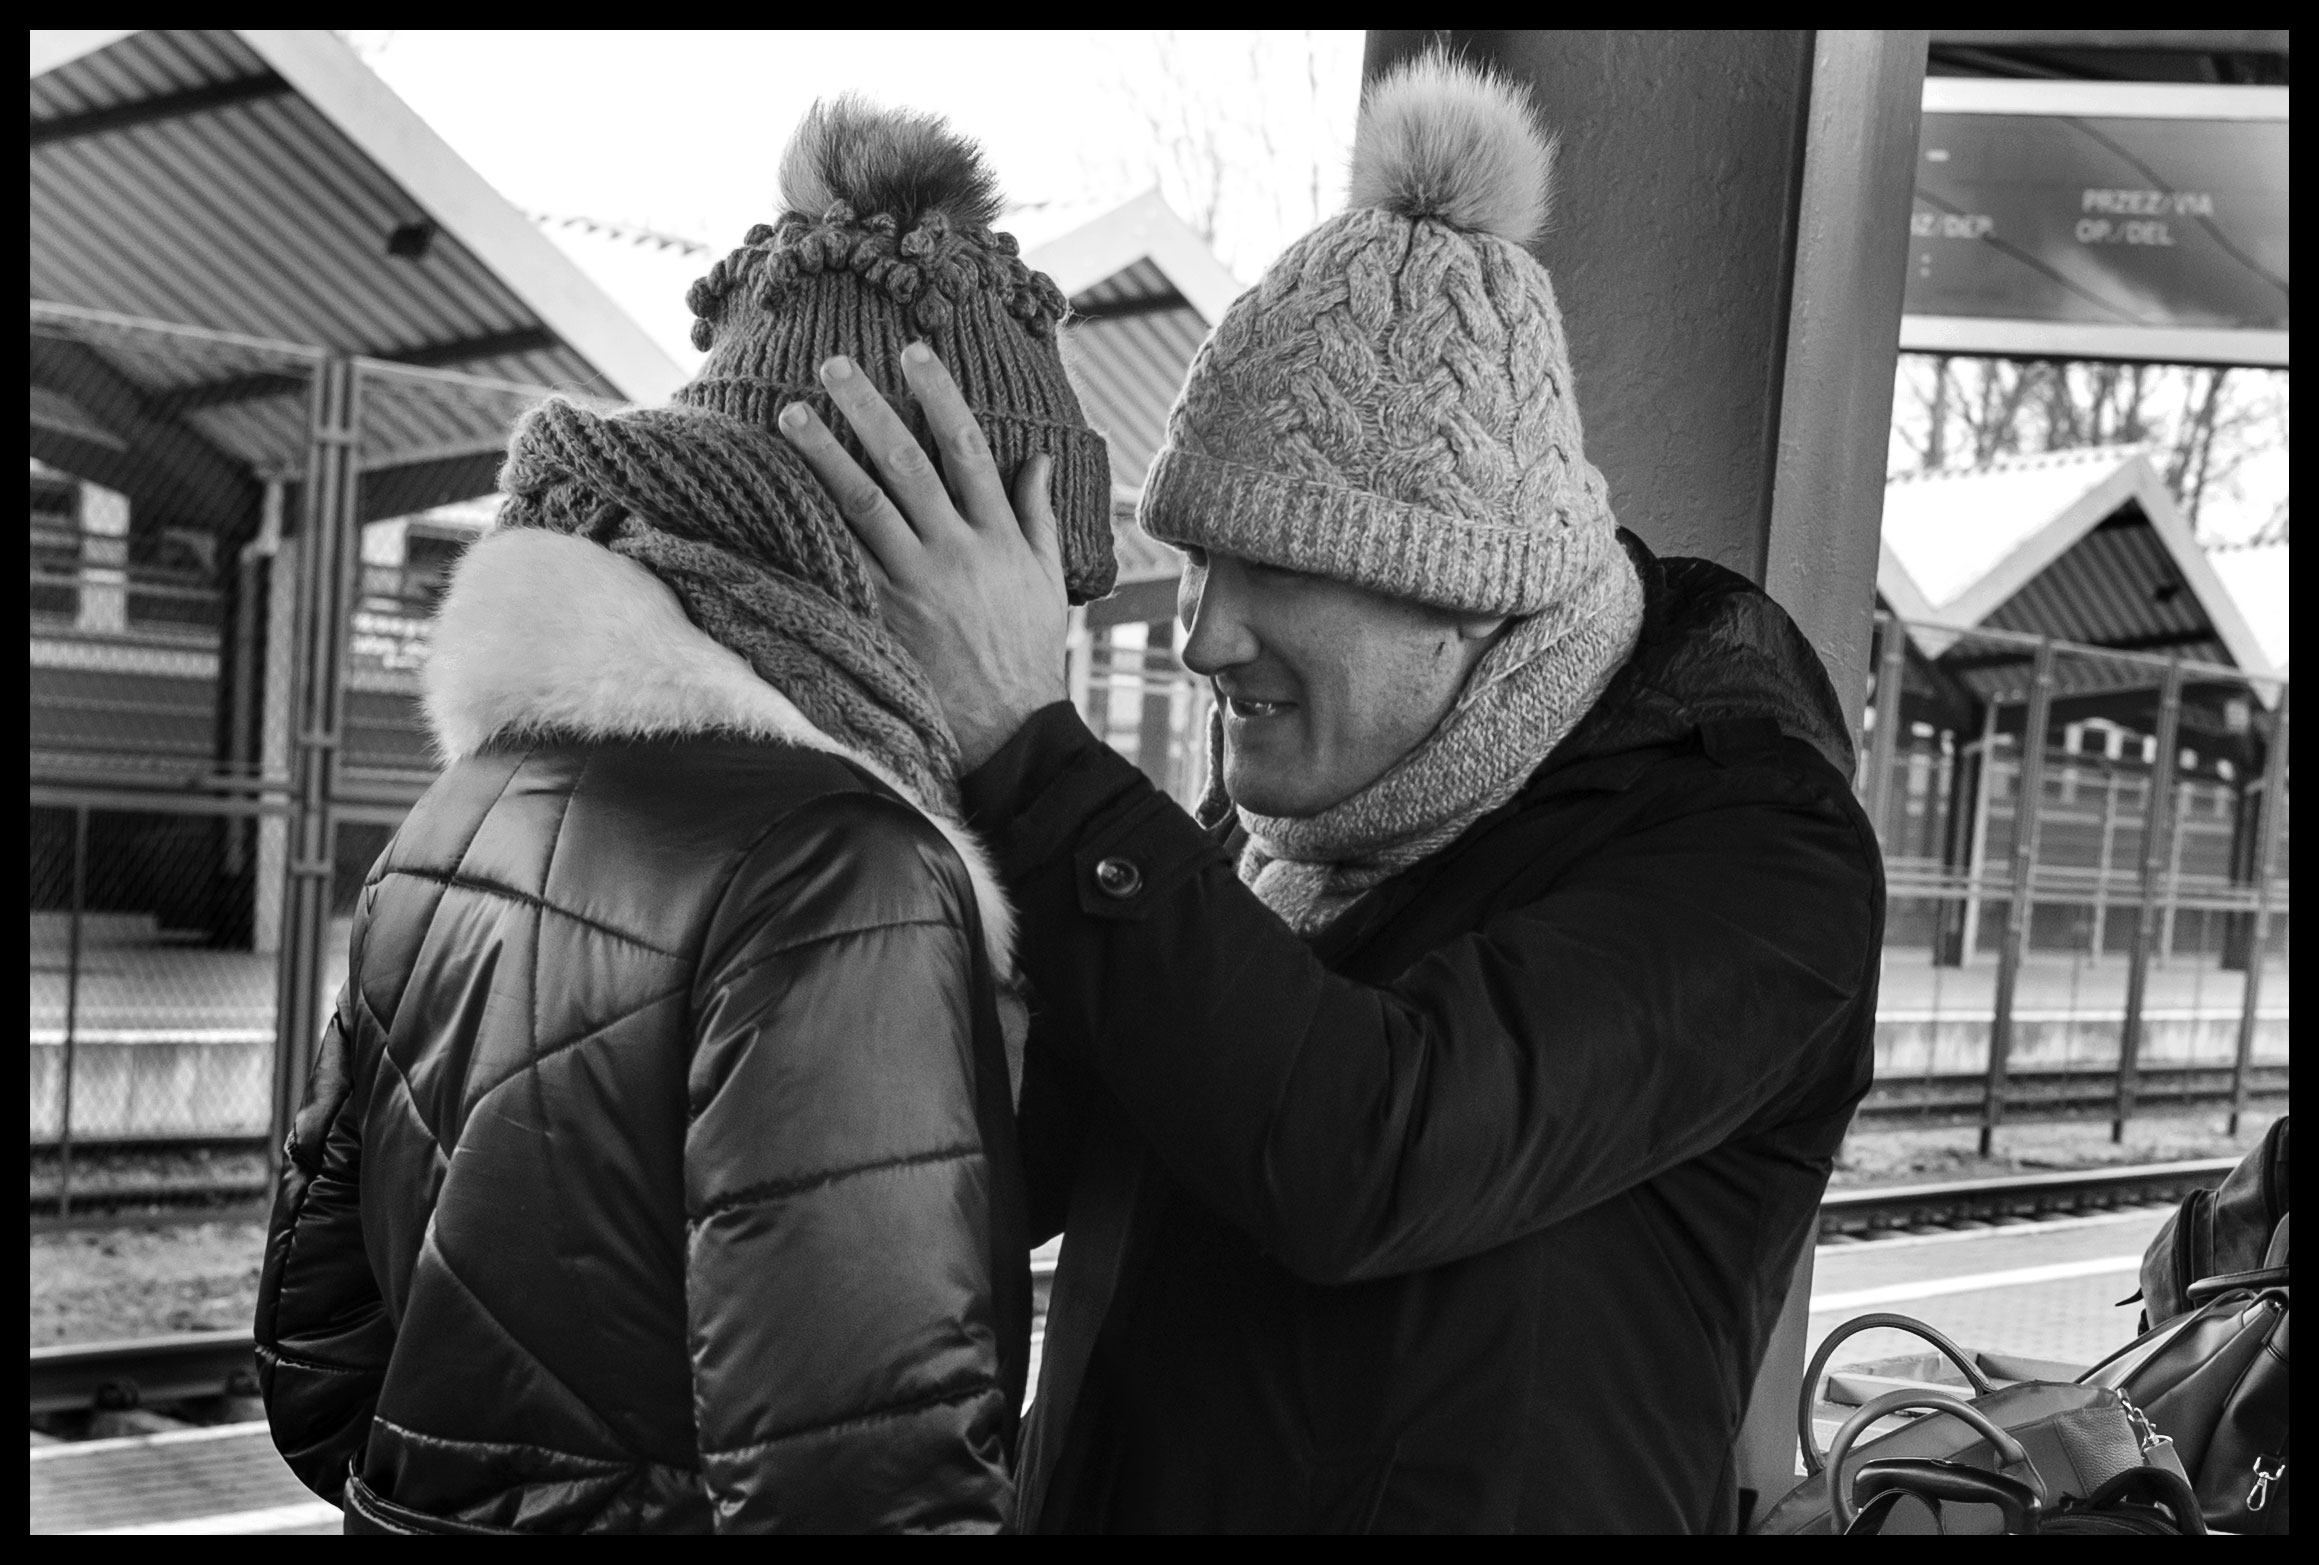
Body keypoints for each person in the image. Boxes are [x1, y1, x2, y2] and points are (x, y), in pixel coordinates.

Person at [776, 54, 1885, 1532]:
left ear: (1467, 596)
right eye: (1200, 556)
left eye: (1275, 568)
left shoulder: (1749, 857)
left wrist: (1030, 751)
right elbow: (1029, 1161)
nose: (1201, 633)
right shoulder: (1289, 828)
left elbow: (1373, 1145)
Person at [253, 98, 1118, 1534]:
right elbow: (871, 1499)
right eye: (1049, 571)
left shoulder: (457, 815)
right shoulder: (851, 871)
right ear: (922, 539)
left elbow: (319, 1379)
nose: (1057, 628)